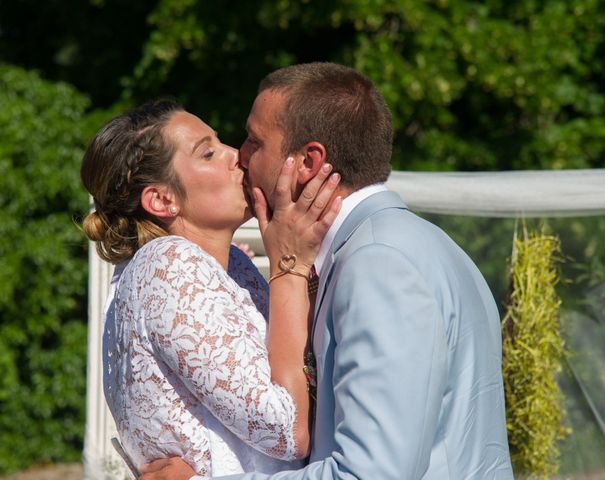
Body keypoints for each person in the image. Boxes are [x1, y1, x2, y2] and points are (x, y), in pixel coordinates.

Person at [141, 63, 514, 479]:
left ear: (307, 162)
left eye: (254, 140)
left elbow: (370, 474)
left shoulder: (379, 264)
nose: (240, 155)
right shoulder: (423, 244)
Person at [80, 100, 342, 477]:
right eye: (208, 152)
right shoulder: (167, 265)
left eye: (222, 143)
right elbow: (285, 431)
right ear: (161, 199)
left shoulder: (235, 265)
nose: (236, 156)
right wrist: (288, 267)